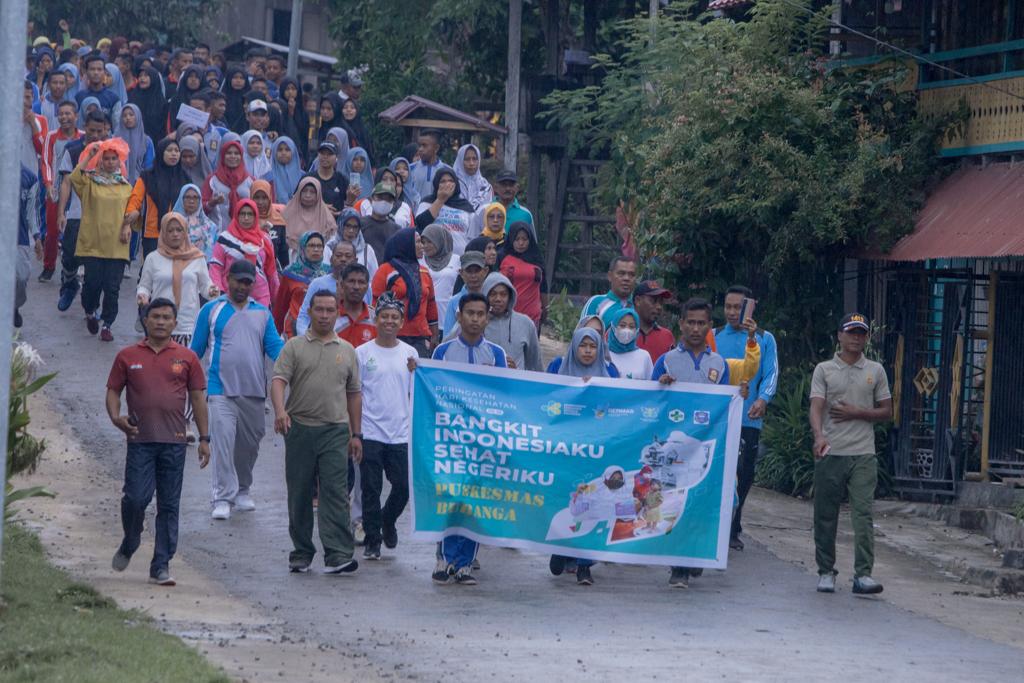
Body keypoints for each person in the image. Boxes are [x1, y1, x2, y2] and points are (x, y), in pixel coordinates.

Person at [652, 297, 761, 588]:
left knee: (701, 502)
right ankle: (679, 565)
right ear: (681, 324)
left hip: (706, 447)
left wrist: (739, 394)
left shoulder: (719, 364)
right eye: (691, 322)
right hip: (673, 448)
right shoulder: (666, 360)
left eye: (702, 323)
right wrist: (659, 385)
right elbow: (650, 403)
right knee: (675, 502)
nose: (696, 328)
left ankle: (693, 555)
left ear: (710, 326)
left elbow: (725, 403)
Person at [107, 298, 210, 587]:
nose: (161, 322)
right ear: (145, 320)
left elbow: (199, 399)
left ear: (175, 323)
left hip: (175, 443)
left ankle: (161, 565)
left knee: (168, 505)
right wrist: (116, 419)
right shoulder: (127, 356)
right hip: (140, 440)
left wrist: (204, 438)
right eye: (155, 317)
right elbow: (113, 391)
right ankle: (131, 539)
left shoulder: (188, 357)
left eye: (167, 317)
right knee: (135, 499)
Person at [271, 288, 362, 575]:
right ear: (309, 311)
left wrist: (355, 434)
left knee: (335, 492)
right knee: (299, 492)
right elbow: (278, 380)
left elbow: (354, 394)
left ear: (338, 313)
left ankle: (338, 554)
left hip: (335, 430)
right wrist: (280, 411)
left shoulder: (347, 351)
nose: (324, 315)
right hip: (299, 428)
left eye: (330, 310)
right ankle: (301, 552)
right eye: (319, 310)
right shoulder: (295, 346)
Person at [192, 260, 285, 520]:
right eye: (238, 281)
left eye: (248, 282)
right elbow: (195, 350)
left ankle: (243, 489)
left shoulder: (263, 314)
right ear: (227, 278)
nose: (242, 286)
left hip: (254, 391)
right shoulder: (211, 310)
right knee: (222, 443)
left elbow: (276, 348)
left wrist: (296, 365)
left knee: (249, 445)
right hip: (219, 389)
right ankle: (222, 497)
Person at [809, 313, 891, 595]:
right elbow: (817, 406)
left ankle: (864, 574)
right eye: (851, 332)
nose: (856, 338)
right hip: (831, 450)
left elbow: (887, 411)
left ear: (866, 337)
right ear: (840, 336)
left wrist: (857, 412)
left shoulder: (876, 370)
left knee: (863, 513)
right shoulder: (824, 369)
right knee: (825, 513)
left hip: (863, 452)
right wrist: (819, 436)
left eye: (861, 333)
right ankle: (826, 570)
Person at [430, 293, 508, 585]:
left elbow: (504, 395)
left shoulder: (497, 354)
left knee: (475, 502)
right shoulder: (442, 352)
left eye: (480, 314)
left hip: (483, 442)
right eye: (470, 313)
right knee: (450, 499)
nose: (475, 319)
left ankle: (463, 564)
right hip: (451, 439)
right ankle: (443, 558)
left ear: (487, 318)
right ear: (459, 316)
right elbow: (432, 390)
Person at [715, 285, 779, 551]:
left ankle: (734, 525)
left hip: (748, 418)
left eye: (737, 307)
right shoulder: (713, 335)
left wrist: (762, 399)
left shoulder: (764, 338)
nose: (732, 312)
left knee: (744, 473)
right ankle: (720, 526)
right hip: (717, 419)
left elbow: (771, 373)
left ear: (749, 308)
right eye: (728, 306)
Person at [356, 293, 417, 560]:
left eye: (395, 317)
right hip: (370, 430)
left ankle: (387, 520)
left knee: (403, 487)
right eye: (384, 316)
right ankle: (372, 540)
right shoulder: (362, 353)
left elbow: (417, 393)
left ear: (402, 322)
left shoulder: (410, 354)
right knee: (370, 488)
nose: (389, 321)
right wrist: (354, 431)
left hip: (400, 432)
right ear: (375, 319)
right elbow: (354, 393)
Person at [69, 137, 133, 341]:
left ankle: (107, 324)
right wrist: (89, 154)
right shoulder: (90, 183)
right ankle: (90, 311)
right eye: (106, 158)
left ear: (119, 161)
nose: (110, 162)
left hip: (117, 245)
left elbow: (132, 211)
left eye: (114, 158)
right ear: (100, 160)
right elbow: (74, 178)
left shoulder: (125, 186)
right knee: (92, 284)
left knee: (112, 288)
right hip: (93, 244)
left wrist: (128, 225)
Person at [56, 110, 110, 312]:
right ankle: (70, 284)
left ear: (106, 129)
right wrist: (61, 212)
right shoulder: (73, 149)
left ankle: (92, 302)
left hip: (102, 215)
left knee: (95, 261)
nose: (96, 135)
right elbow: (66, 183)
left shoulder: (110, 151)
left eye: (100, 130)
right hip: (76, 213)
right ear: (84, 128)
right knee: (70, 254)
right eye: (92, 130)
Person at [137, 212, 215, 343]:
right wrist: (142, 296)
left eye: (179, 230)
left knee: (183, 363)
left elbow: (205, 286)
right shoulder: (153, 258)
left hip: (187, 326)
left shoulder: (197, 258)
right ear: (163, 233)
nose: (175, 234)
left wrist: (212, 290)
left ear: (185, 232)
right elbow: (144, 286)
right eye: (170, 230)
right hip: (160, 324)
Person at [372, 229, 437, 356]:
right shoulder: (385, 270)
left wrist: (434, 336)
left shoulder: (424, 272)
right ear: (406, 244)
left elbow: (431, 305)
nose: (422, 246)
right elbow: (375, 304)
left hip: (420, 338)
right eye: (418, 242)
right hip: (392, 335)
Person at [125, 138, 189, 260]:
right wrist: (130, 215)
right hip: (153, 232)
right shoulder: (148, 176)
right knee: (151, 270)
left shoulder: (185, 177)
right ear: (160, 152)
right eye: (169, 150)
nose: (174, 153)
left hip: (178, 233)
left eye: (177, 150)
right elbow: (135, 199)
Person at [39, 100, 81, 282]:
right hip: (56, 189)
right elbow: (47, 162)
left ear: (76, 116)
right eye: (61, 114)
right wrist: (48, 184)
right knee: (52, 230)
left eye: (68, 114)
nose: (64, 117)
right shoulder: (51, 136)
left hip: (79, 191)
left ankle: (75, 268)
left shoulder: (83, 137)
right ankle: (49, 266)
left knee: (78, 230)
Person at [209, 199, 279, 307]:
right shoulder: (225, 238)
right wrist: (219, 292)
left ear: (255, 216)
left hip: (260, 298)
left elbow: (271, 272)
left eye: (250, 214)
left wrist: (276, 299)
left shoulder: (265, 240)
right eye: (242, 214)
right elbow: (215, 267)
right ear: (236, 215)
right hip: (230, 296)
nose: (246, 218)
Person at [274, 231, 330, 337]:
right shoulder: (290, 273)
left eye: (319, 246)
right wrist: (276, 333)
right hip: (294, 330)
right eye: (311, 245)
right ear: (303, 248)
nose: (316, 249)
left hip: (324, 328)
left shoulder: (329, 272)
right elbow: (281, 307)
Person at [414, 168, 475, 255]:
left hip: (459, 258)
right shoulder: (428, 202)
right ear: (437, 184)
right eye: (443, 181)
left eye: (451, 181)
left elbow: (473, 234)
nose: (447, 184)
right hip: (432, 258)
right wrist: (440, 200)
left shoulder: (465, 206)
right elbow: (420, 224)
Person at [498, 221, 546, 328]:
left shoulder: (536, 259)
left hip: (533, 316)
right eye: (517, 239)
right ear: (511, 239)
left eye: (524, 239)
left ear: (530, 240)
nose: (521, 243)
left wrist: (545, 308)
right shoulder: (502, 256)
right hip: (508, 314)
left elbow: (543, 286)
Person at [202, 140, 253, 232]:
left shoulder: (250, 180)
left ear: (241, 156)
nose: (233, 156)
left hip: (245, 235)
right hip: (218, 234)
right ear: (222, 156)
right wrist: (212, 203)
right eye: (229, 153)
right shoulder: (212, 180)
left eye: (236, 153)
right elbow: (201, 209)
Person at [282, 176, 337, 254]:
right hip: (293, 257)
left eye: (312, 192)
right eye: (304, 191)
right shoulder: (287, 213)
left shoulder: (326, 216)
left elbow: (331, 241)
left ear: (318, 194)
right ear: (299, 192)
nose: (308, 195)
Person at [441, 250, 488, 338]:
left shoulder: (491, 298)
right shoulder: (454, 302)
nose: (473, 276)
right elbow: (448, 336)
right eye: (469, 271)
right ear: (461, 273)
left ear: (485, 271)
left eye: (477, 270)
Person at [580, 256, 637, 323]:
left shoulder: (640, 305)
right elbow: (584, 332)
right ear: (610, 276)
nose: (626, 278)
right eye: (621, 273)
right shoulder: (596, 302)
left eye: (631, 275)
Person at [420, 223, 460, 319]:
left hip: (448, 313)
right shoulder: (420, 260)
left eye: (429, 241)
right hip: (425, 314)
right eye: (423, 242)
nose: (425, 246)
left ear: (439, 240)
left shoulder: (456, 260)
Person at [172, 183, 218, 259]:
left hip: (203, 266)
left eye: (195, 197)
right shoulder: (172, 222)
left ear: (200, 200)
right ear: (181, 199)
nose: (191, 201)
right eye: (187, 197)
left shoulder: (210, 226)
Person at [634, 280, 675, 364]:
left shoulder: (667, 336)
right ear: (638, 300)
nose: (659, 307)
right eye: (653, 301)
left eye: (661, 302)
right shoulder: (620, 333)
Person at [359, 182, 401, 262]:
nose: (384, 202)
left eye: (388, 199)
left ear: (393, 203)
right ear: (371, 199)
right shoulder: (360, 224)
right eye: (380, 197)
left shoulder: (397, 230)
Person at [334, 207, 379, 283]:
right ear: (340, 225)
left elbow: (375, 278)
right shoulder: (331, 246)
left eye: (355, 227)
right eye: (347, 226)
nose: (351, 230)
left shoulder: (367, 249)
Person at [486, 168, 535, 238]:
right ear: (496, 188)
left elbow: (531, 244)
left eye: (511, 185)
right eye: (504, 185)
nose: (508, 188)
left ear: (517, 188)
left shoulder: (526, 214)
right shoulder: (485, 210)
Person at [606, 308, 653, 380]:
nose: (627, 330)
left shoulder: (644, 356)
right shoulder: (603, 354)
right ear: (613, 327)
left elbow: (651, 385)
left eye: (631, 326)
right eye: (622, 325)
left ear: (637, 330)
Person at [250, 178, 288, 266]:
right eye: (256, 197)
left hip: (274, 269)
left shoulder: (278, 221)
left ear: (270, 198)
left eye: (264, 198)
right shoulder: (245, 219)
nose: (260, 202)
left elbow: (283, 252)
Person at [75, 54, 120, 122]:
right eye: (92, 69)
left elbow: (116, 125)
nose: (96, 72)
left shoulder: (113, 98)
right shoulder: (79, 97)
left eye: (99, 69)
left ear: (104, 72)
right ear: (86, 72)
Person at [129, 65, 168, 140]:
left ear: (154, 78)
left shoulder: (162, 103)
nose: (142, 78)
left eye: (146, 76)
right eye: (140, 76)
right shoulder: (132, 98)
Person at [408, 129, 444, 201]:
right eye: (419, 145)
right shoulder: (409, 169)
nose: (420, 149)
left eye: (424, 145)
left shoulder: (447, 171)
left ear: (436, 148)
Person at [453, 143, 491, 211]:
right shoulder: (452, 183)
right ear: (460, 161)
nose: (471, 163)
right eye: (467, 159)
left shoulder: (485, 185)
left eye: (474, 159)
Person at [266, 136, 304, 203]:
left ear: (293, 152)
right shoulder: (268, 177)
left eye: (287, 149)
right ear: (274, 152)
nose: (283, 153)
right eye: (280, 150)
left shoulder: (303, 176)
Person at [339, 97, 374, 163]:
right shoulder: (338, 129)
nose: (348, 110)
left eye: (352, 107)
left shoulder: (363, 130)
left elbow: (369, 151)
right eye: (345, 107)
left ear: (357, 110)